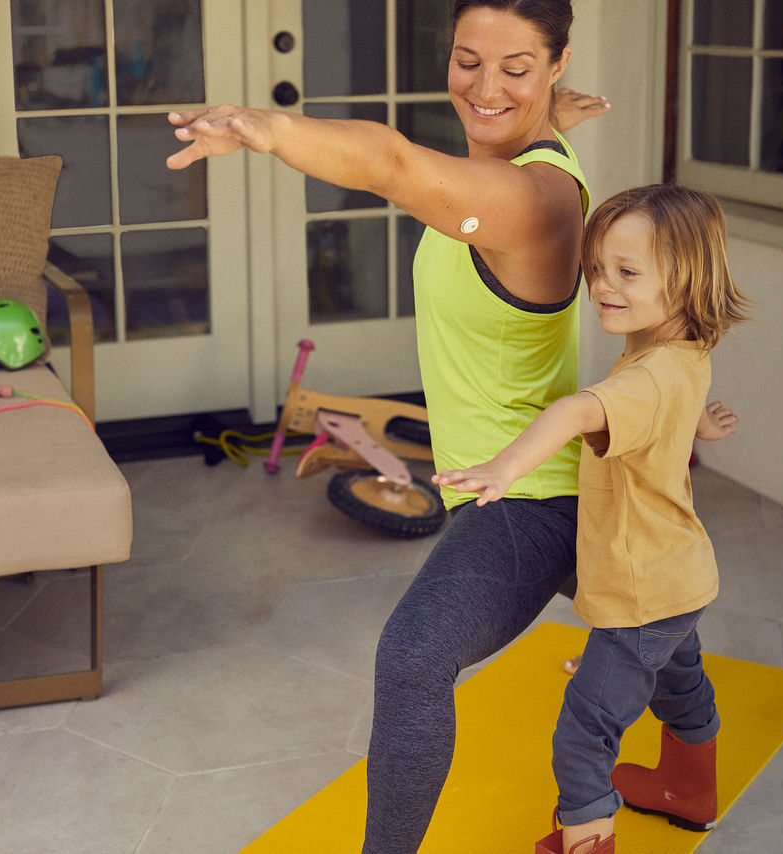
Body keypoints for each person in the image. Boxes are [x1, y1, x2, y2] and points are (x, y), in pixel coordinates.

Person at [169, 3, 665, 852]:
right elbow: (505, 120)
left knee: (412, 658)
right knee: (660, 613)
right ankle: (693, 761)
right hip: (546, 476)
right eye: (468, 60)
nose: (484, 86)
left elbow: (393, 162)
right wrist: (545, 104)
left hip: (530, 498)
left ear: (557, 63)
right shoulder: (530, 151)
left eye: (516, 68)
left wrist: (269, 129)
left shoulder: (533, 198)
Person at [434, 183, 751, 852]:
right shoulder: (680, 347)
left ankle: (586, 840)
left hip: (641, 593)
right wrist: (697, 423)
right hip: (680, 578)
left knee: (586, 729)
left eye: (627, 272)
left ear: (689, 281)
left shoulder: (644, 378)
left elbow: (580, 410)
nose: (603, 286)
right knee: (679, 683)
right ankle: (690, 788)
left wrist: (504, 467)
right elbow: (671, 396)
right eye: (596, 268)